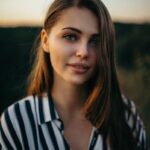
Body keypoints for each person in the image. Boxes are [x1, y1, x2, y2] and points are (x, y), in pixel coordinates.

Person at [0, 0, 148, 149]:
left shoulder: (126, 114)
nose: (83, 52)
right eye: (70, 36)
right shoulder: (16, 121)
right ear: (45, 41)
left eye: (95, 41)